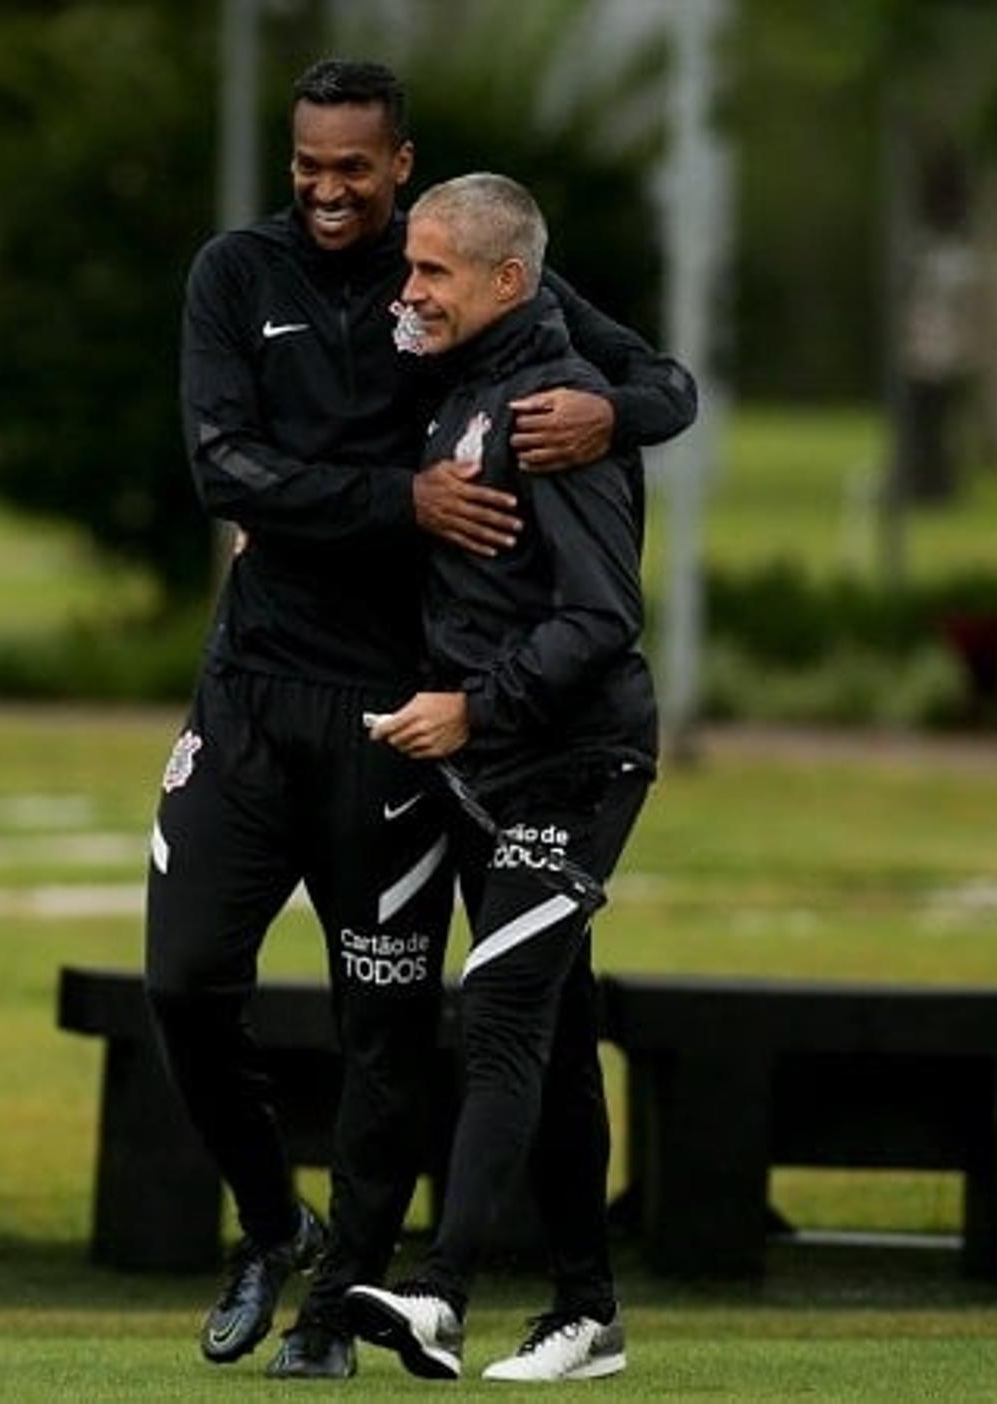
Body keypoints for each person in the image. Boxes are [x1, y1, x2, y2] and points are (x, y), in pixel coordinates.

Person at [145, 61, 694, 1381]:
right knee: (183, 979)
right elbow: (226, 469)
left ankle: (347, 1312)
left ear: (400, 163)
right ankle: (275, 1226)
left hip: (399, 718)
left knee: (398, 1027)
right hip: (251, 692)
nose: (328, 191)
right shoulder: (239, 276)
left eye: (353, 168)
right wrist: (402, 501)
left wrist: (612, 413)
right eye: (306, 166)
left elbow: (662, 388)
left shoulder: (468, 270)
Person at [344, 173, 656, 1384]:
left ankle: (440, 1291)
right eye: (409, 267)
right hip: (490, 767)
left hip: (574, 762)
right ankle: (589, 1315)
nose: (408, 290)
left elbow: (603, 618)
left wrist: (474, 704)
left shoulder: (553, 410)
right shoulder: (461, 385)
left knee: (503, 1008)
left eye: (432, 273)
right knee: (559, 1034)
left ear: (507, 282)